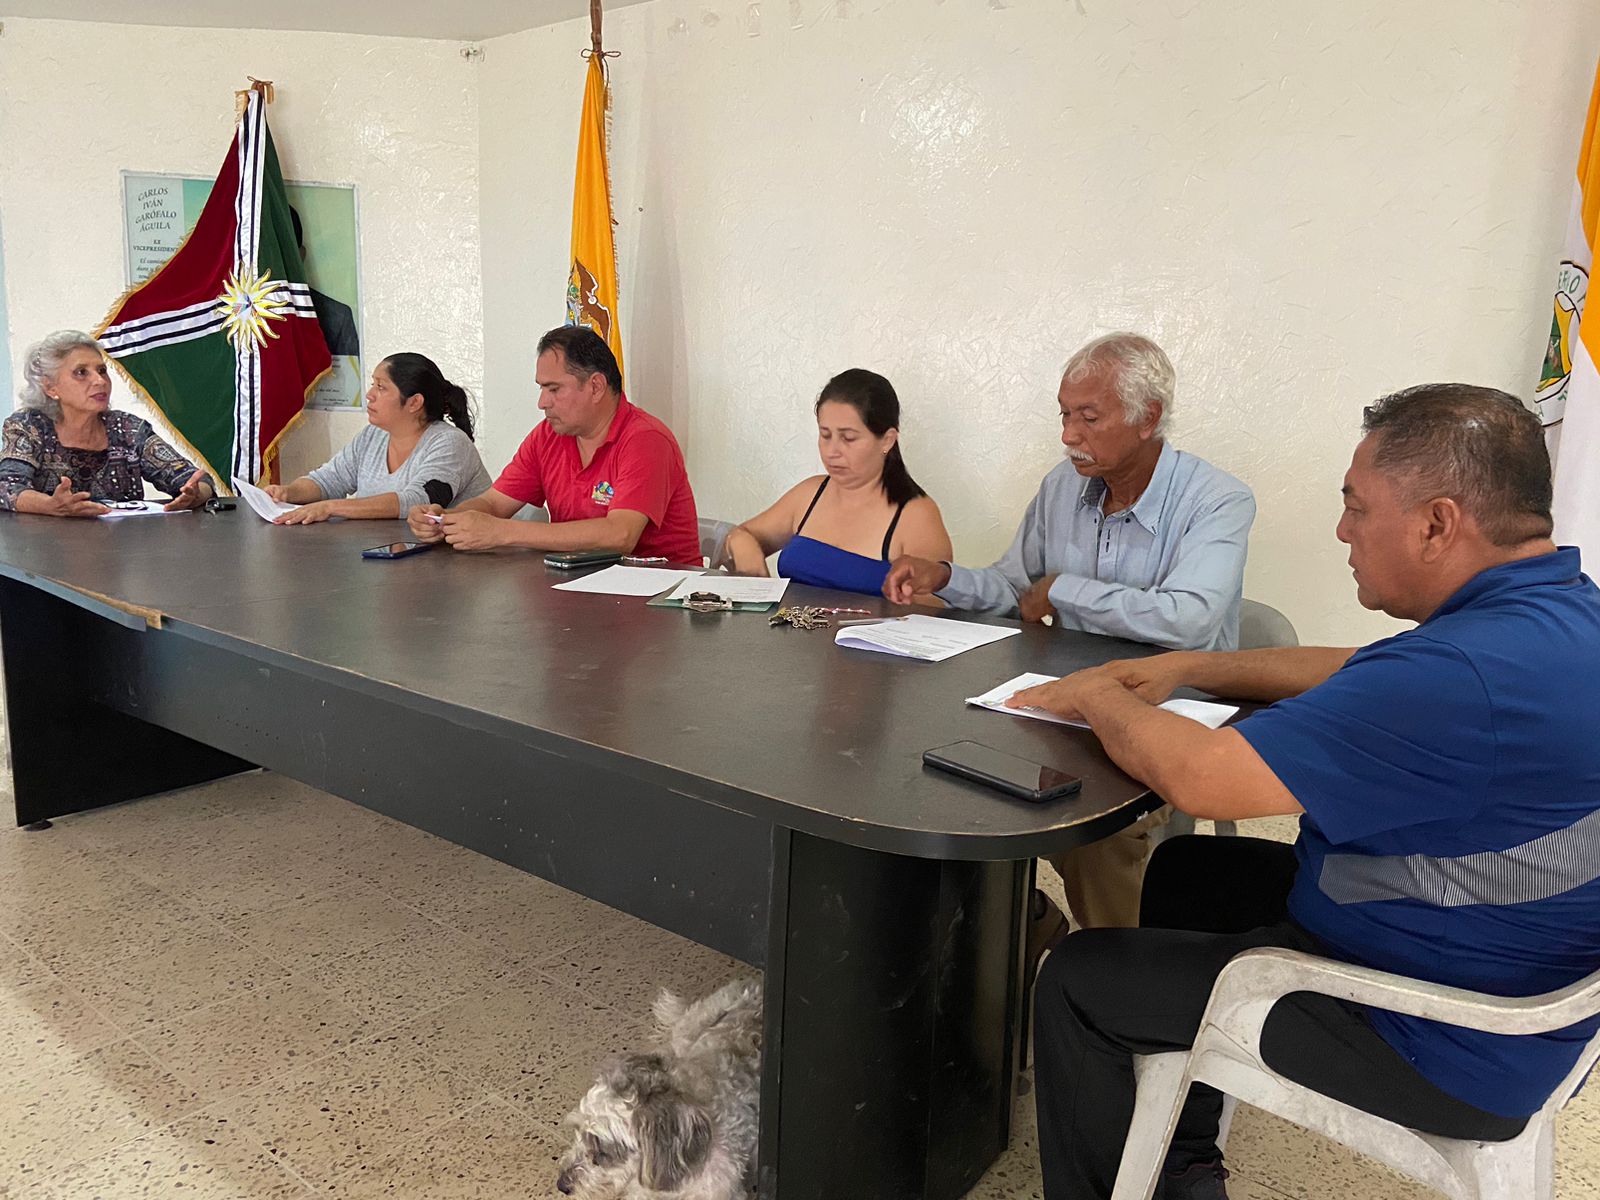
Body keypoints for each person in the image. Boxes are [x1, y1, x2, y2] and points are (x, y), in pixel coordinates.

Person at [1013, 384, 1600, 1200]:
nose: (1342, 531)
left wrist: (1096, 695)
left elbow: (1203, 779)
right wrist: (1188, 667)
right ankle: (1181, 1159)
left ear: (1437, 524)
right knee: (1189, 873)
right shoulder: (1557, 616)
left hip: (1440, 1033)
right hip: (1512, 981)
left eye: (1356, 507)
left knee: (1079, 980)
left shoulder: (1460, 675)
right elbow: (1360, 668)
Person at [884, 332, 1256, 933]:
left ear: (1147, 418)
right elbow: (1016, 587)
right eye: (1064, 414)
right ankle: (1016, 931)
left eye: (1088, 417)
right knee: (947, 771)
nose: (1068, 434)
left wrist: (1064, 589)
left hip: (1165, 710)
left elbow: (1189, 618)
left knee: (1093, 831)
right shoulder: (1062, 486)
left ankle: (1121, 965)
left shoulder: (1217, 500)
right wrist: (945, 577)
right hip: (1065, 701)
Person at [407, 325, 700, 561]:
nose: (542, 402)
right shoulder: (549, 435)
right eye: (541, 388)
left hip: (660, 597)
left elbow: (619, 535)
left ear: (596, 386)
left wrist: (502, 532)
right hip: (581, 586)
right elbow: (494, 504)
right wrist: (445, 520)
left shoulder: (646, 439)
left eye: (554, 389)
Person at [723, 369, 952, 593]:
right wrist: (742, 543)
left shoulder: (916, 514)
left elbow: (933, 606)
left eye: (848, 438)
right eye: (825, 435)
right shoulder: (810, 493)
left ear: (887, 440)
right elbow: (743, 534)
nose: (832, 451)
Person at [0, 330, 212, 517]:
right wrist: (51, 506)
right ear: (50, 388)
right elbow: (7, 487)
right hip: (44, 547)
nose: (100, 381)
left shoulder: (127, 428)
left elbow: (195, 480)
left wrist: (196, 495)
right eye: (81, 372)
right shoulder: (29, 426)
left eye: (102, 370)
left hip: (120, 546)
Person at [269, 353, 491, 524]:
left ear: (414, 402)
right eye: (373, 385)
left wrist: (330, 507)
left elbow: (419, 501)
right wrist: (288, 492)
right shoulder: (373, 435)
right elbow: (329, 480)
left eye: (381, 387)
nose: (370, 395)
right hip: (386, 551)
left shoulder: (449, 442)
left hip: (447, 560)